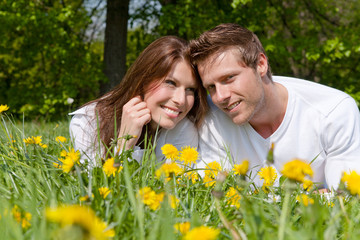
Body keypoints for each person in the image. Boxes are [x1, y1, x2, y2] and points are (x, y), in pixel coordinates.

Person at [190, 23, 360, 190]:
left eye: (229, 78)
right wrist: (315, 197)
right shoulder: (210, 117)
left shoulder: (333, 111)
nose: (220, 97)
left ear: (260, 64)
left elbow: (347, 201)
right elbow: (217, 199)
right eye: (211, 87)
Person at [69, 36, 208, 166]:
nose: (181, 100)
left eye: (190, 89)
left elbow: (175, 187)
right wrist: (124, 145)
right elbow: (95, 187)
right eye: (171, 83)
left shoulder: (183, 128)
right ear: (143, 80)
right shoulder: (88, 123)